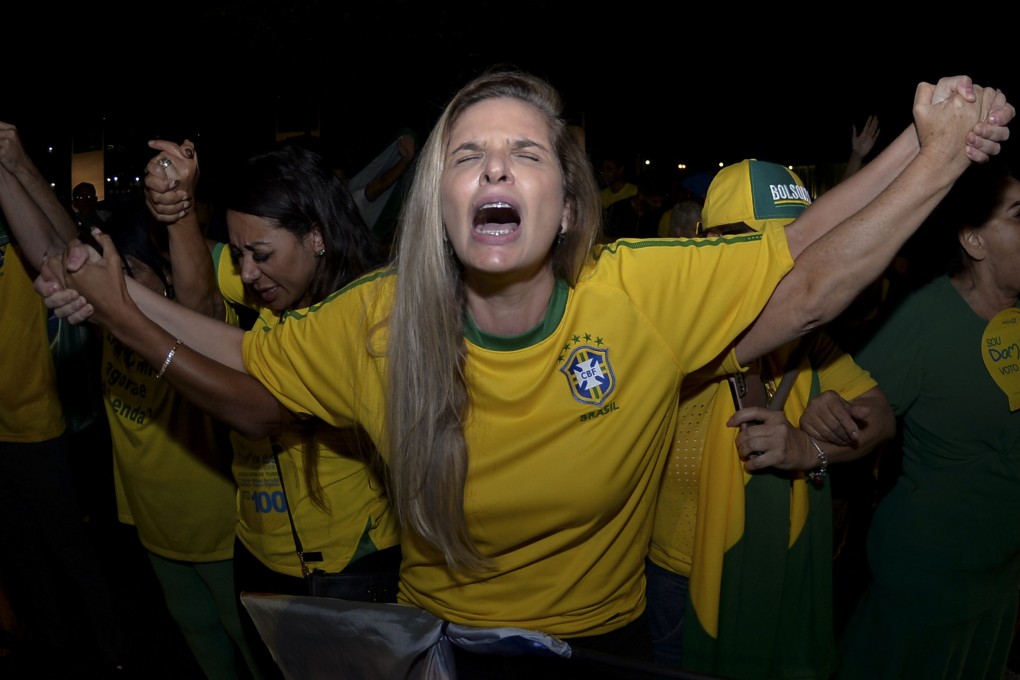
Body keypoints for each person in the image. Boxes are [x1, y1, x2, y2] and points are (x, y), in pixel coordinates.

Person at [37, 70, 1012, 678]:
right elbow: (251, 365)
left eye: (525, 152)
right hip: (441, 648)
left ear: (566, 199)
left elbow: (800, 271)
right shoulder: (380, 320)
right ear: (438, 201)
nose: (496, 168)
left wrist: (928, 161)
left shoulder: (637, 290)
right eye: (468, 154)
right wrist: (127, 302)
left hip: (607, 640)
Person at [2, 127, 260, 680]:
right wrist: (8, 167)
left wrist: (177, 212)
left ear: (156, 274)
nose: (107, 279)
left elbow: (200, 298)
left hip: (219, 530)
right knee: (200, 638)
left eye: (126, 269)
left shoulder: (188, 324)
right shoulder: (115, 324)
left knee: (252, 646)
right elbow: (52, 251)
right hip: (153, 527)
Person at [141, 138, 400, 679]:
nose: (249, 273)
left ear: (317, 238)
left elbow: (262, 407)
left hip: (351, 561)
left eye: (260, 255)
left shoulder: (366, 315)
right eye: (238, 257)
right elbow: (201, 305)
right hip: (258, 553)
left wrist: (123, 310)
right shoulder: (273, 276)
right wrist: (180, 207)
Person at [645, 159, 896, 679]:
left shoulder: (810, 340)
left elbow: (880, 417)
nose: (780, 264)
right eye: (758, 246)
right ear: (705, 241)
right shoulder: (669, 328)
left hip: (775, 571)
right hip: (676, 582)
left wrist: (810, 448)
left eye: (793, 245)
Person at [833, 157, 1020, 680]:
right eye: (1019, 214)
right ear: (974, 242)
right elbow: (856, 414)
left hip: (1003, 577)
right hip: (930, 577)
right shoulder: (923, 316)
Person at [0, 123, 130, 677]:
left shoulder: (15, 246)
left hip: (32, 426)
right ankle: (53, 645)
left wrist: (15, 164)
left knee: (68, 547)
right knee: (18, 550)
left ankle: (116, 650)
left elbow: (64, 247)